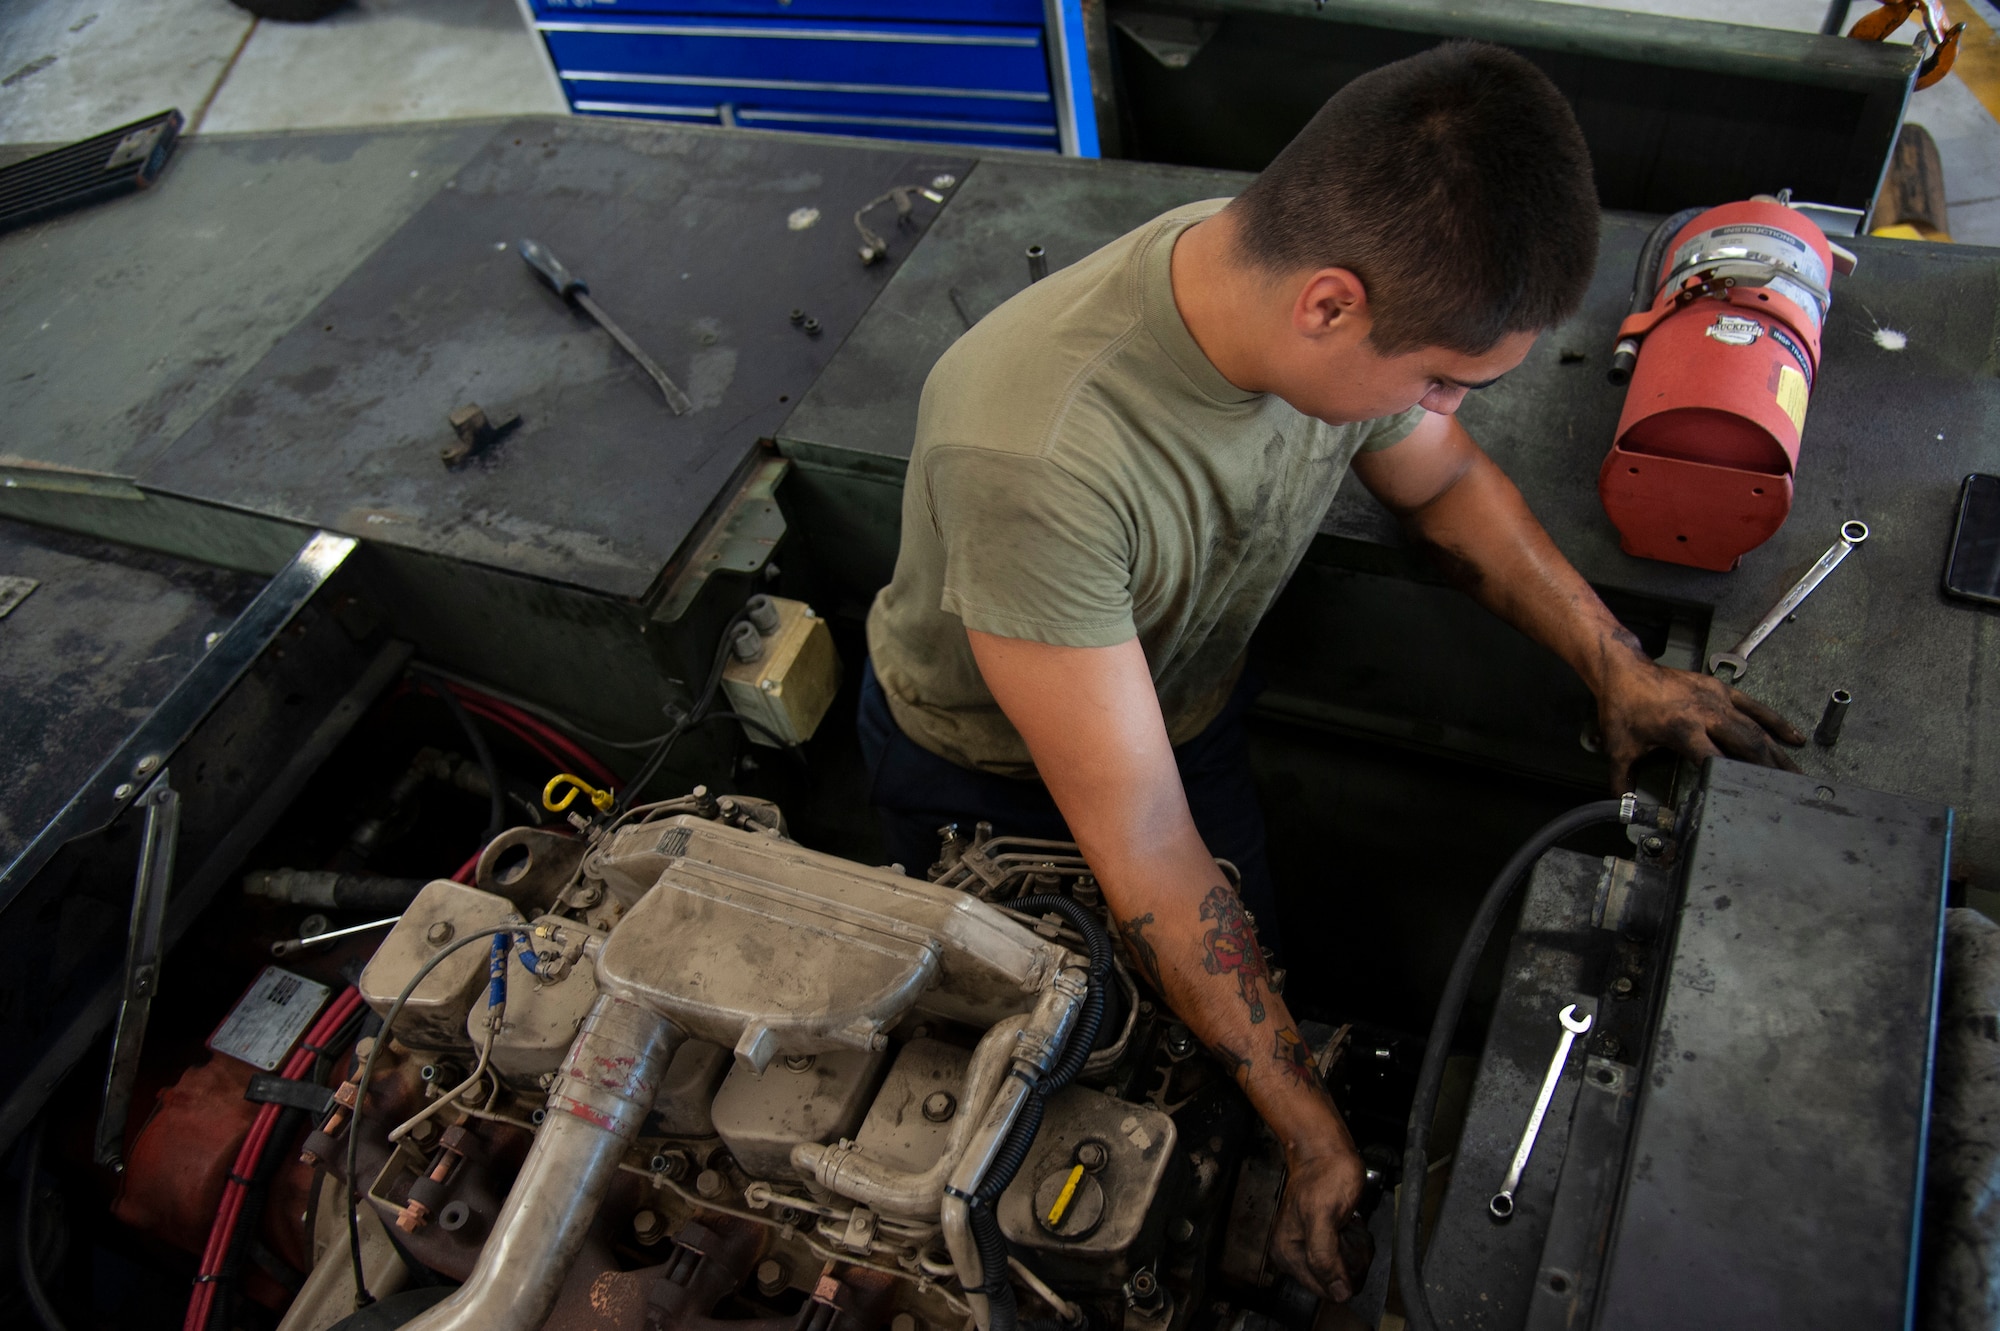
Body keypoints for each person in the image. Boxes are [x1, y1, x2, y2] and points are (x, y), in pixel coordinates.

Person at [857, 41, 1804, 1301]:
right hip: (996, 783)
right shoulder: (1036, 453)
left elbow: (1445, 480)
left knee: (1239, 995)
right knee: (1057, 1088)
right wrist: (1309, 1126)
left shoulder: (1289, 276)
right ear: (1328, 305)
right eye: (1438, 379)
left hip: (1181, 714)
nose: (1442, 407)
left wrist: (1611, 662)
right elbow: (1142, 842)